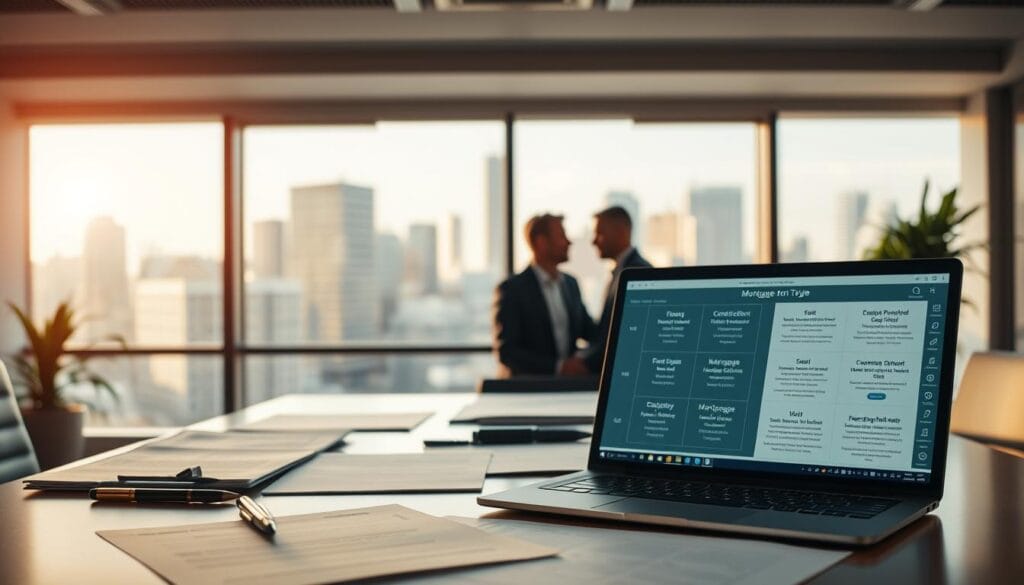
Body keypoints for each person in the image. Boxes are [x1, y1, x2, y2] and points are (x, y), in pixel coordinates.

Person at [492, 213, 597, 378]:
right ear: (541, 242)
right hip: (529, 390)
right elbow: (507, 351)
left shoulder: (571, 284)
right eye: (562, 236)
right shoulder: (512, 289)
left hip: (569, 388)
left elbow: (590, 331)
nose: (569, 242)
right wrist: (558, 367)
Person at [583, 205, 652, 373]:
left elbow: (626, 336)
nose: (594, 241)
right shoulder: (621, 271)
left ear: (620, 232)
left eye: (600, 233)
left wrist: (586, 363)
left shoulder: (638, 273)